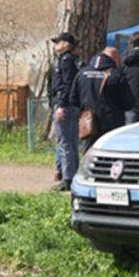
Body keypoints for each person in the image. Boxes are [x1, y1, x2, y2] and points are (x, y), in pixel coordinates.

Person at [72, 47, 135, 154]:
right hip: (112, 123)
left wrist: (85, 109)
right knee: (111, 154)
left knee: (89, 154)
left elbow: (73, 99)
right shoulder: (117, 75)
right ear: (115, 58)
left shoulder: (82, 73)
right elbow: (129, 103)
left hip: (89, 123)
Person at [50, 32, 82, 191]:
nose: (55, 45)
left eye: (58, 42)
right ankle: (71, 175)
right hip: (70, 105)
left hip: (66, 106)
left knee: (66, 143)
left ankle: (68, 178)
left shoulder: (66, 61)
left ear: (66, 44)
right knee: (70, 142)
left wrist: (61, 105)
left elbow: (67, 85)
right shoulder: (69, 60)